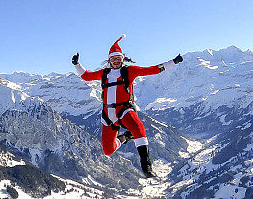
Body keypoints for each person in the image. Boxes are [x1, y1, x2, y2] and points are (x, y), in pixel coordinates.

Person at [71, 35, 183, 178]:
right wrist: (76, 64)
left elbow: (153, 69)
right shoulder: (104, 73)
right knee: (108, 150)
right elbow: (86, 76)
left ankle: (146, 165)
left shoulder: (129, 71)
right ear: (109, 60)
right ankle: (125, 137)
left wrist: (173, 62)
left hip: (125, 110)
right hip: (108, 115)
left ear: (122, 59)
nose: (116, 61)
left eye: (118, 59)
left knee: (138, 128)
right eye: (113, 59)